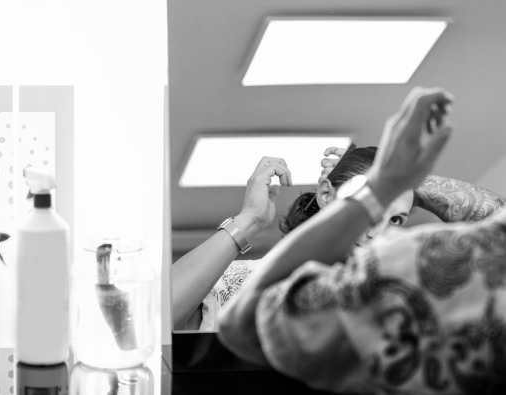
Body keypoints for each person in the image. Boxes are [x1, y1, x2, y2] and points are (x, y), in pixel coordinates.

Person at [217, 87, 506, 394]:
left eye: (395, 219)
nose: (378, 232)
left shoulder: (393, 275)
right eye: (374, 212)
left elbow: (244, 325)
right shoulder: (242, 277)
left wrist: (389, 182)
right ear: (326, 194)